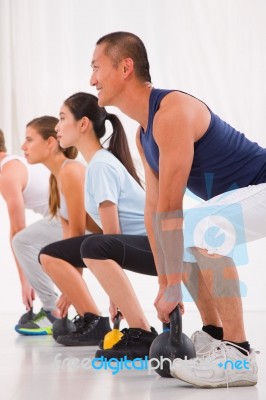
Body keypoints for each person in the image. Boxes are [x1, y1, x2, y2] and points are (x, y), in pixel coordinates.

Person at [87, 31, 266, 388]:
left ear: (126, 67)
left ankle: (239, 355)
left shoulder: (171, 112)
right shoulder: (143, 135)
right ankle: (216, 336)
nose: (92, 79)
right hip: (251, 197)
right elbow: (156, 214)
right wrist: (167, 283)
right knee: (185, 238)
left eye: (96, 67)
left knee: (200, 226)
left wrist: (172, 288)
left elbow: (172, 209)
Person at [39, 92, 158, 358]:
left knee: (94, 244)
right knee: (51, 253)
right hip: (137, 245)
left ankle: (142, 331)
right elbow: (110, 240)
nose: (57, 127)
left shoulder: (101, 166)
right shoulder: (96, 164)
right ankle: (92, 318)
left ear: (83, 124)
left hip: (155, 247)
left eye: (61, 118)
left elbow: (111, 239)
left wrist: (114, 297)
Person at [14, 116, 101, 335]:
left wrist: (70, 290)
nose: (23, 147)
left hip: (104, 238)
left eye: (29, 140)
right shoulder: (56, 177)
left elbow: (78, 237)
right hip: (86, 239)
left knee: (38, 249)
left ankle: (72, 315)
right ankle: (69, 314)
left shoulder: (71, 170)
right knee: (34, 246)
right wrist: (68, 289)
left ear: (50, 142)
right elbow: (68, 236)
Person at [0, 128, 62, 328]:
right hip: (63, 217)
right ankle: (55, 307)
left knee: (23, 241)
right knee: (34, 243)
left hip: (70, 218)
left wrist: (25, 281)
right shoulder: (12, 164)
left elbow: (18, 230)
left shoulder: (8, 174)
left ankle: (52, 311)